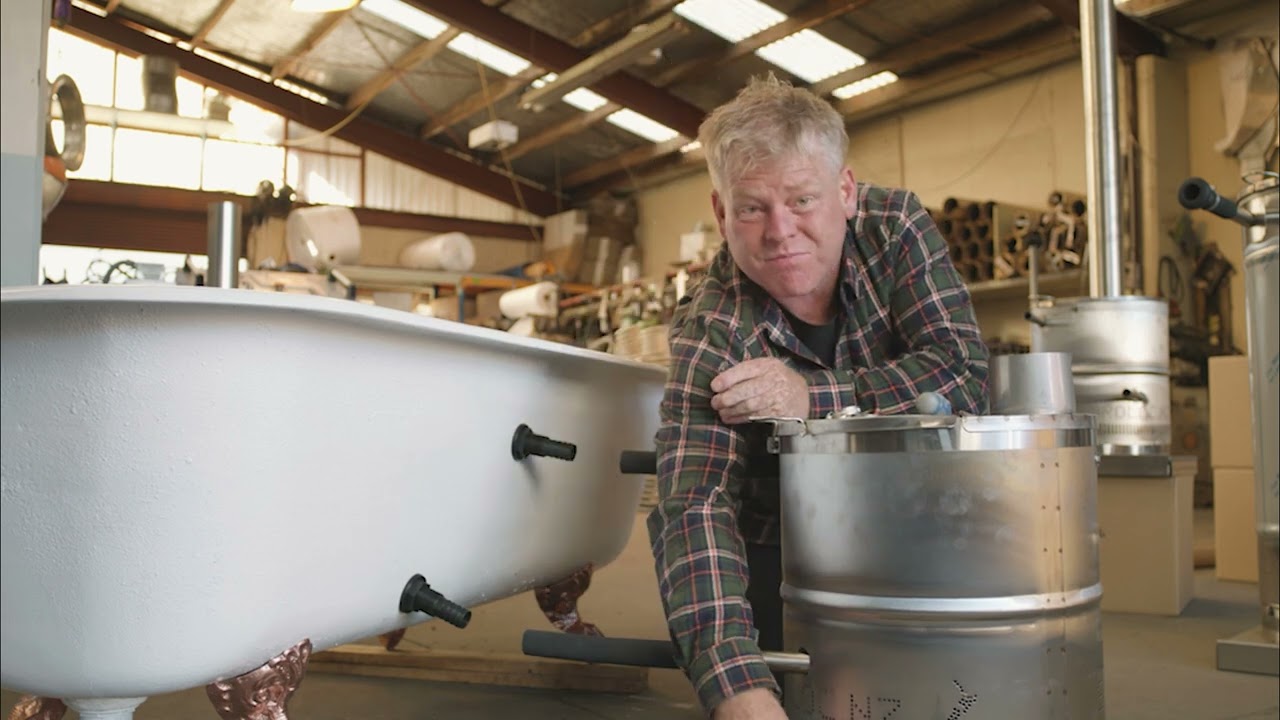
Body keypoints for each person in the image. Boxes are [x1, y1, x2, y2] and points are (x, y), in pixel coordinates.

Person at [646, 74, 989, 719]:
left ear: (845, 191)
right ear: (721, 214)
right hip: (787, 541)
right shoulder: (713, 324)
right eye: (752, 208)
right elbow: (694, 500)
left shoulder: (895, 228)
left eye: (802, 200)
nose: (780, 231)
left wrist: (812, 399)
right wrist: (735, 687)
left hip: (926, 516)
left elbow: (962, 373)